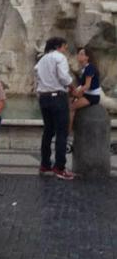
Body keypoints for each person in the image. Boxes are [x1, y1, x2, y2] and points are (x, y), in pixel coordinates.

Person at [35, 36, 74, 180]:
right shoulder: (59, 58)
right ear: (60, 46)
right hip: (57, 96)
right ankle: (60, 167)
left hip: (44, 97)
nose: (65, 50)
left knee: (48, 131)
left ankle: (45, 164)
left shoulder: (42, 59)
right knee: (61, 133)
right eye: (65, 47)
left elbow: (37, 77)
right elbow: (63, 77)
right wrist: (72, 87)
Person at [69, 47, 102, 131]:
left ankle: (68, 131)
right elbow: (82, 85)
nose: (79, 56)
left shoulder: (89, 68)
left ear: (87, 57)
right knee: (69, 99)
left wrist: (77, 91)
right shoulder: (84, 68)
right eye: (79, 54)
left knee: (71, 108)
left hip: (92, 96)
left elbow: (87, 85)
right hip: (86, 94)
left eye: (81, 54)